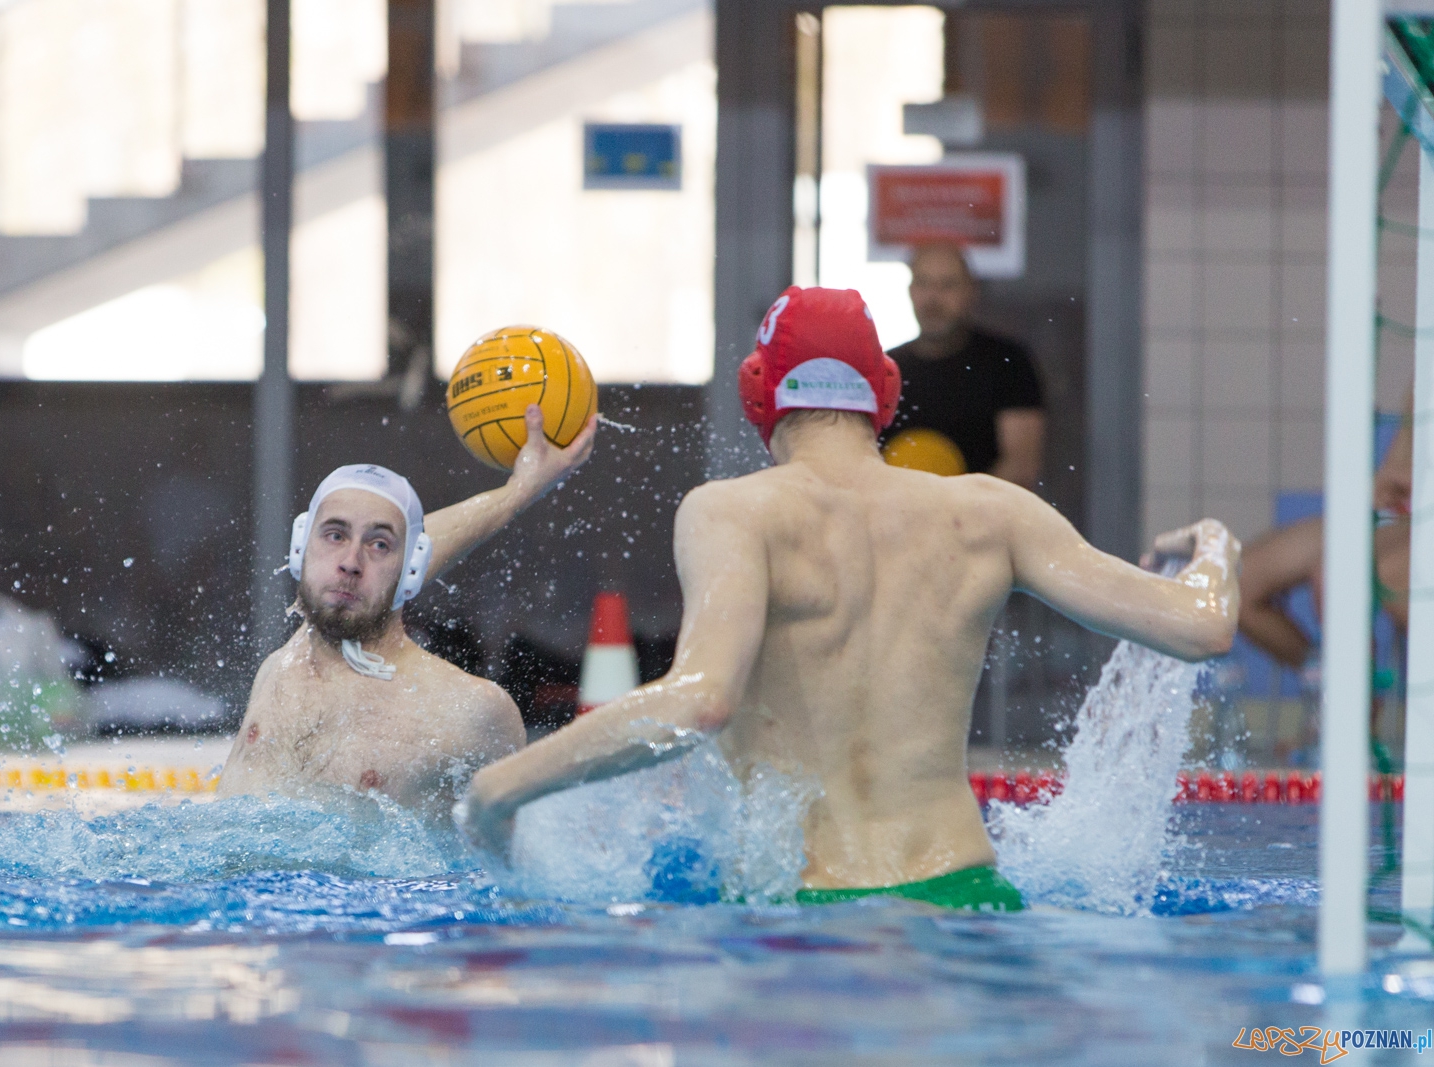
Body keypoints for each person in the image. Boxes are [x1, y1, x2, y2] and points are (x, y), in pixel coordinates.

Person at [458, 286, 1238, 911]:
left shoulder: (734, 510)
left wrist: (501, 787)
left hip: (805, 914)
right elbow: (1203, 626)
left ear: (758, 391)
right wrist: (1215, 550)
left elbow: (700, 700)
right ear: (886, 392)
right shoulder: (991, 512)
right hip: (965, 897)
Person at [217, 406, 595, 824]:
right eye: (335, 535)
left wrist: (522, 492)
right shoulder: (282, 665)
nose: (350, 561)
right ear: (300, 549)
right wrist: (517, 490)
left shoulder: (470, 710)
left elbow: (512, 871)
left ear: (411, 568)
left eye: (380, 545)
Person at [1239, 385, 1413, 668]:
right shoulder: (1425, 372)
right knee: (1240, 580)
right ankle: (1333, 688)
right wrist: (1385, 483)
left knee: (1359, 572)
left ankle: (1374, 699)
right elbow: (1399, 466)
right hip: (1407, 515)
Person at [880, 242, 1045, 489]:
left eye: (947, 285)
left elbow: (1021, 467)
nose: (933, 298)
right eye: (923, 283)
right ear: (910, 290)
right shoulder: (885, 370)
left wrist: (955, 516)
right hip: (894, 521)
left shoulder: (1007, 363)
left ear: (970, 291)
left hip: (981, 523)